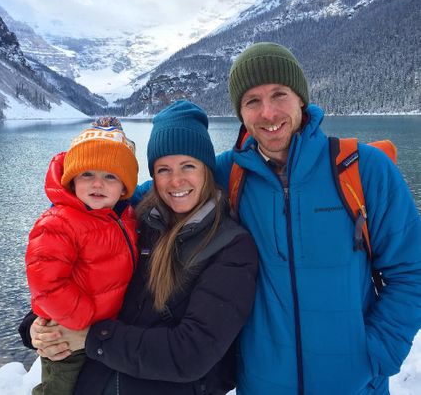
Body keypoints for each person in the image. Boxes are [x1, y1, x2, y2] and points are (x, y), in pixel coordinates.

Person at [212, 42, 421, 394]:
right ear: (241, 113)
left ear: (301, 99)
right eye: (252, 101)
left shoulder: (363, 170)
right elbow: (166, 188)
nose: (267, 112)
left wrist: (375, 355)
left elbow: (411, 270)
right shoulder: (228, 175)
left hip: (354, 385)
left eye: (279, 94)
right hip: (262, 384)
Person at [20, 100, 258, 395]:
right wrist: (38, 327)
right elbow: (88, 278)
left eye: (188, 166)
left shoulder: (231, 247)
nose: (176, 181)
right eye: (163, 169)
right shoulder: (136, 222)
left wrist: (92, 337)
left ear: (207, 170)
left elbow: (191, 354)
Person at [25, 116, 139, 394]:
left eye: (110, 176)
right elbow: (46, 283)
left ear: (124, 187)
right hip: (67, 336)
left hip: (100, 333)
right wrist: (82, 319)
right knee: (59, 389)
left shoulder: (124, 216)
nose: (97, 184)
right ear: (72, 179)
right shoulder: (59, 221)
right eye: (87, 174)